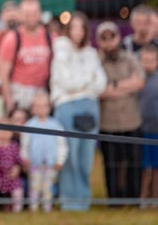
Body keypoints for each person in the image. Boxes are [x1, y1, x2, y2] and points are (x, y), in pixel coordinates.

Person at [50, 11, 106, 211]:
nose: (77, 32)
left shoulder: (91, 53)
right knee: (69, 156)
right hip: (67, 105)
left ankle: (83, 200)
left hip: (90, 106)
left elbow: (101, 83)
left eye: (81, 28)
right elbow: (67, 82)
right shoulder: (61, 50)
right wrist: (87, 80)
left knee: (86, 157)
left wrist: (85, 83)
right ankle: (68, 201)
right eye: (73, 27)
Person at [97, 20, 145, 203]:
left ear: (118, 38)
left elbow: (139, 82)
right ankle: (114, 200)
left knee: (133, 162)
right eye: (104, 38)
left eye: (112, 37)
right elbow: (99, 89)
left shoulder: (130, 58)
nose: (109, 42)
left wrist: (114, 87)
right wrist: (126, 86)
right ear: (99, 41)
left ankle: (133, 198)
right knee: (111, 164)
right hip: (107, 122)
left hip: (131, 120)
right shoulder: (97, 61)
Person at [0, 0, 52, 112]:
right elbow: (3, 73)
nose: (31, 17)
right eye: (27, 14)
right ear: (20, 15)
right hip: (19, 91)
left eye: (34, 13)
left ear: (40, 14)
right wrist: (9, 100)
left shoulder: (49, 37)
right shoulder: (12, 38)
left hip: (42, 90)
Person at [21, 91, 68, 212]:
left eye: (44, 106)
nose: (41, 109)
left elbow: (61, 144)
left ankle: (47, 207)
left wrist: (60, 159)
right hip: (34, 163)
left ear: (49, 107)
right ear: (32, 109)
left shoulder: (55, 125)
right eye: (37, 106)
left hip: (50, 163)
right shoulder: (29, 125)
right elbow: (25, 144)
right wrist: (25, 158)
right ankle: (34, 207)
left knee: (48, 186)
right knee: (34, 186)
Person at [0, 119, 24, 212]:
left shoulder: (14, 145)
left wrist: (18, 166)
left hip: (11, 175)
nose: (4, 133)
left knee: (18, 190)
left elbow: (19, 159)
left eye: (7, 130)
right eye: (1, 130)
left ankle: (17, 209)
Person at [139, 44, 158, 207]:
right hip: (141, 131)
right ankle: (142, 198)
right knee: (144, 167)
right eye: (145, 60)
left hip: (156, 131)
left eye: (151, 60)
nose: (148, 63)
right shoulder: (137, 79)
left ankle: (155, 198)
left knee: (157, 167)